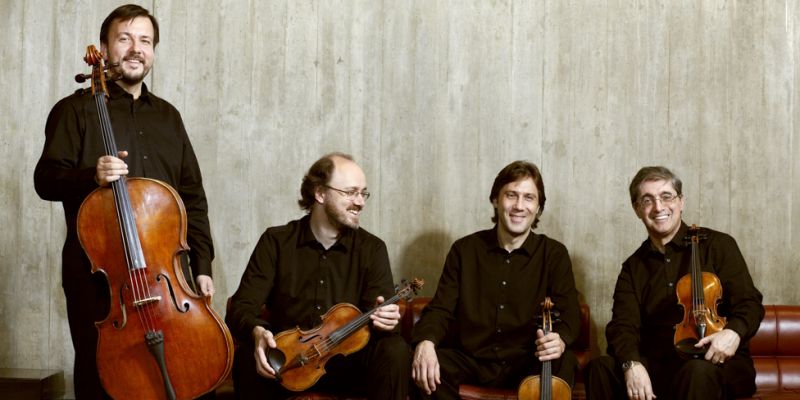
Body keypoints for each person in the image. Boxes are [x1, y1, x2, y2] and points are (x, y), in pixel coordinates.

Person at [33, 4, 215, 398]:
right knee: (103, 379)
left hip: (166, 279)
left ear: (153, 52)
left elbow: (193, 198)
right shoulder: (74, 110)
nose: (136, 48)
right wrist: (91, 175)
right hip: (99, 277)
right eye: (125, 38)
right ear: (104, 48)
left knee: (186, 371)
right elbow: (44, 180)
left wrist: (202, 265)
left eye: (146, 41)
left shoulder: (169, 117)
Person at [225, 152, 410, 400]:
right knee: (246, 359)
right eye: (350, 192)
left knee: (395, 350)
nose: (360, 202)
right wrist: (257, 332)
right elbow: (241, 307)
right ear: (320, 193)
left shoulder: (372, 249)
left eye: (363, 193)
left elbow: (382, 320)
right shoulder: (276, 241)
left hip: (347, 365)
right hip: (288, 364)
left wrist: (387, 321)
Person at [584, 166, 764, 400]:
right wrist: (631, 364)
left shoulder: (718, 246)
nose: (658, 207)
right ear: (637, 209)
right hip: (661, 367)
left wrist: (732, 333)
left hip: (716, 361)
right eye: (647, 200)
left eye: (666, 196)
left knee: (696, 371)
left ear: (681, 202)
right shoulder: (633, 267)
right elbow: (622, 326)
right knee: (600, 368)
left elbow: (750, 303)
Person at [411, 160, 581, 399]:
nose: (519, 206)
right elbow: (440, 309)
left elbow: (570, 313)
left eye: (529, 198)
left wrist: (559, 340)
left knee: (564, 361)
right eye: (511, 195)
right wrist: (426, 342)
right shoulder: (464, 250)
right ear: (495, 200)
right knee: (421, 363)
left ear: (538, 208)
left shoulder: (554, 254)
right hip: (472, 359)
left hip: (527, 360)